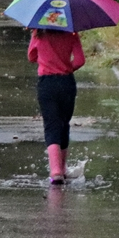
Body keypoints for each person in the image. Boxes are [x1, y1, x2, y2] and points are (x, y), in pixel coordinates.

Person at [27, 28, 85, 185]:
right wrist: (65, 68)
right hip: (67, 83)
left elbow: (32, 57)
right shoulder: (72, 33)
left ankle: (56, 172)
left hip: (47, 84)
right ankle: (63, 169)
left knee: (51, 125)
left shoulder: (38, 32)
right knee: (63, 124)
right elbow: (80, 60)